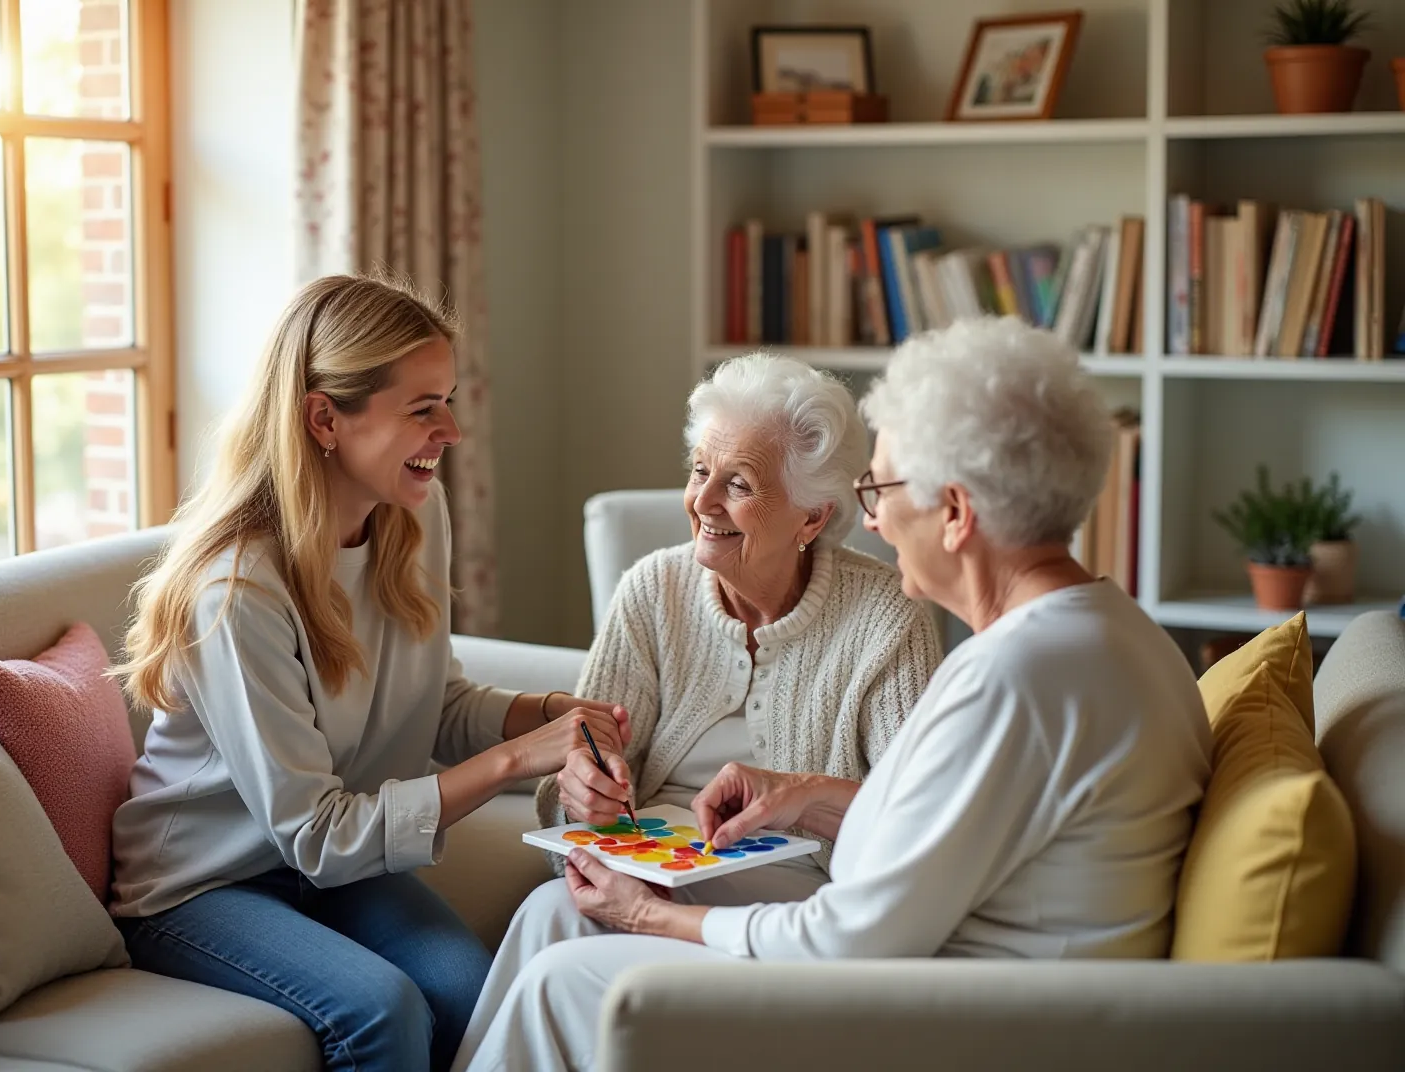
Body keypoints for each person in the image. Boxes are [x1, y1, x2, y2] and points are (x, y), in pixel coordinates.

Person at [457, 317, 1213, 1072]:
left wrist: (648, 915)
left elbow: (852, 932)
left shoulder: (1014, 678)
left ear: (954, 513)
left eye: (881, 489)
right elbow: (946, 833)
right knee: (556, 931)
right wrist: (807, 795)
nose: (873, 519)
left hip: (954, 1017)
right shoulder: (1112, 634)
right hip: (966, 987)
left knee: (562, 983)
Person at [108, 272, 630, 1072]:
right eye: (423, 408)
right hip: (202, 888)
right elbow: (318, 834)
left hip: (328, 871)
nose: (452, 431)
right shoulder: (238, 590)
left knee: (469, 988)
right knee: (381, 1012)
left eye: (449, 399)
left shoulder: (412, 517)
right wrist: (519, 759)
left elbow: (436, 703)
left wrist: (554, 714)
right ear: (325, 417)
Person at [451, 353, 942, 1071]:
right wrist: (583, 793)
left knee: (557, 934)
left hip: (799, 891)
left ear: (814, 516)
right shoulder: (653, 591)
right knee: (546, 913)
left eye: (738, 483)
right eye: (698, 469)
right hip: (654, 862)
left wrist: (796, 803)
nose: (703, 500)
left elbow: (916, 820)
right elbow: (569, 783)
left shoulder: (887, 617)